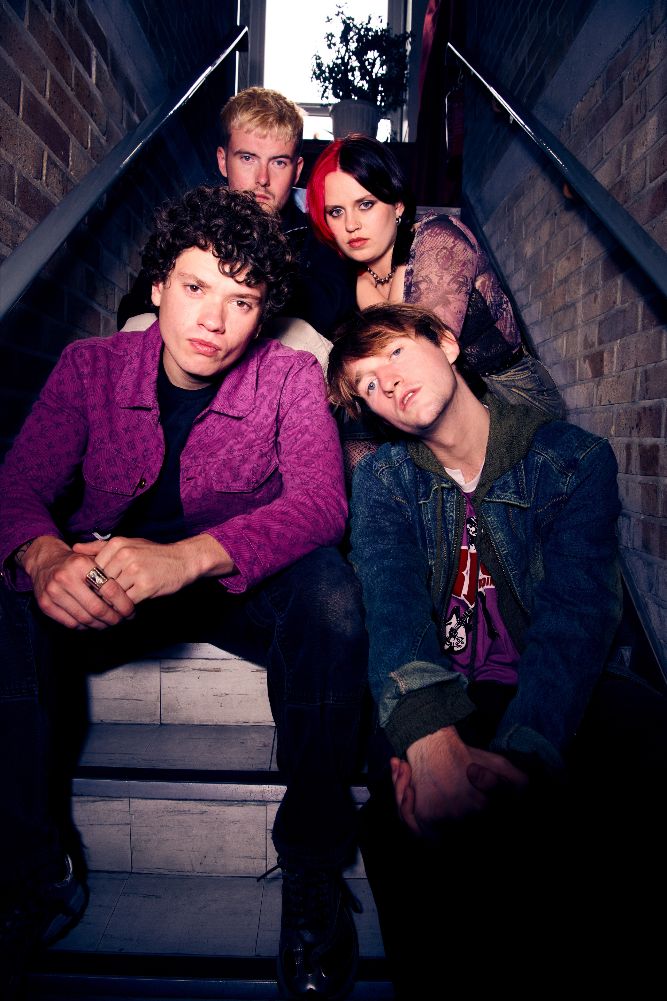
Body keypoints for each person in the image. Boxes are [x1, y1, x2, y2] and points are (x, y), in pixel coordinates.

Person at [0, 185, 367, 1001]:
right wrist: (44, 554)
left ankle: (312, 867)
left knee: (332, 596)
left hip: (231, 581)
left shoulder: (289, 374)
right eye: (196, 287)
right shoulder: (90, 366)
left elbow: (320, 503)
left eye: (242, 301)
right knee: (10, 601)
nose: (213, 320)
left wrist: (192, 556)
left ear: (262, 315)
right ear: (160, 285)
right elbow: (16, 487)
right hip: (109, 578)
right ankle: (31, 870)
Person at [326, 302, 667, 996]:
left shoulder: (570, 460)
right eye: (367, 384)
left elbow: (576, 618)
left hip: (546, 688)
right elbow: (391, 608)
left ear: (447, 344)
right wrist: (427, 740)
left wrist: (523, 756)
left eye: (395, 353)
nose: (387, 383)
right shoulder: (384, 479)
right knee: (397, 823)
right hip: (443, 686)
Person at [307, 133, 563, 416]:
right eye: (336, 212)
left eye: (365, 204)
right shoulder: (356, 282)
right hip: (425, 403)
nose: (351, 224)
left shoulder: (439, 239)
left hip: (513, 395)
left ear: (397, 204)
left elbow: (423, 359)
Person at [118, 86, 356, 355]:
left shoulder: (317, 234)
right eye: (247, 158)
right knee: (139, 325)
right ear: (223, 161)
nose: (262, 178)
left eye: (278, 162)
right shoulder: (192, 222)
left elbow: (332, 310)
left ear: (297, 170)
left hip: (273, 361)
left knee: (301, 334)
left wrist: (255, 290)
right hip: (194, 352)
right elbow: (134, 305)